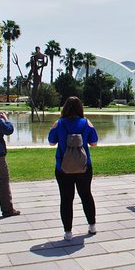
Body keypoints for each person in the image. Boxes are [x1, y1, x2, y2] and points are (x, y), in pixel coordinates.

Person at [48, 96, 98, 240]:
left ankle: (68, 232)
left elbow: (51, 142)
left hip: (63, 167)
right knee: (86, 195)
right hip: (84, 166)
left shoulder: (59, 123)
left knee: (66, 198)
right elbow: (94, 143)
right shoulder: (86, 123)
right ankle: (92, 225)